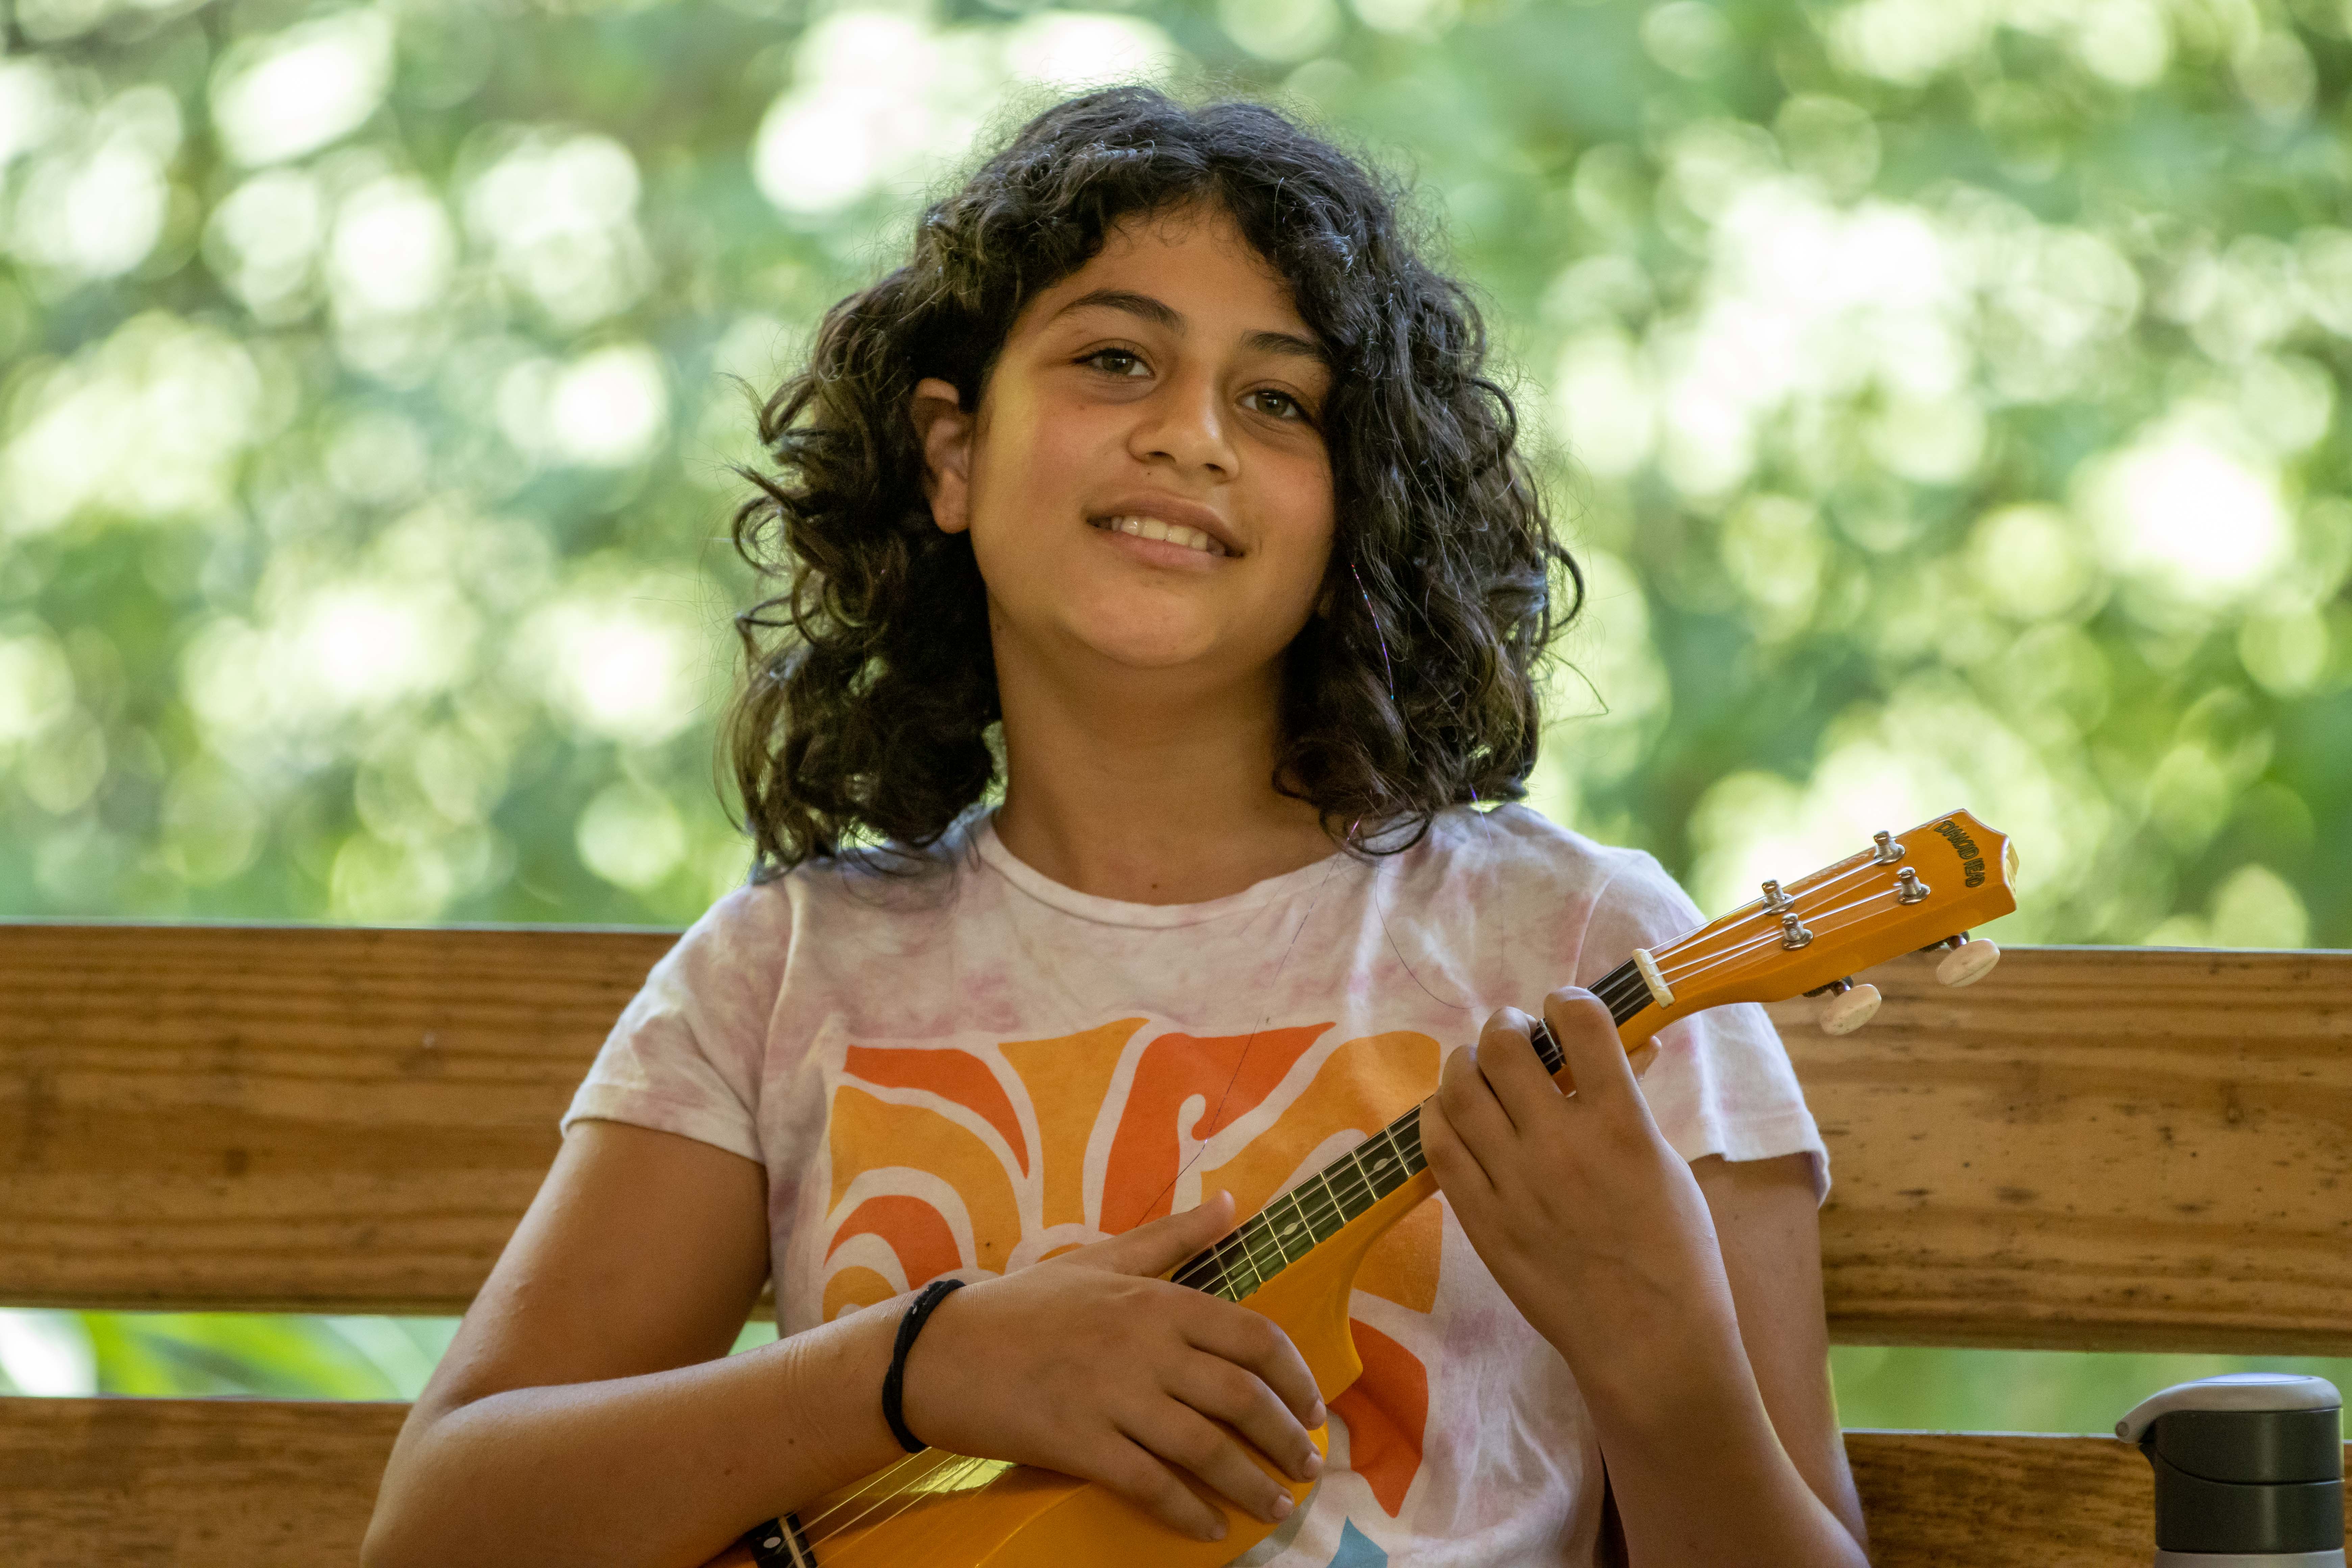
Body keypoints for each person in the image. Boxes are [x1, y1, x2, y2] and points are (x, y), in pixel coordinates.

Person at [364, 87, 1869, 1568]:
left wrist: (1667, 1363)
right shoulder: (786, 971)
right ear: (953, 454)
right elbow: (439, 1533)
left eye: (1277, 401)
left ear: (1355, 505)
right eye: (1115, 359)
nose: (1191, 435)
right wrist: (918, 1363)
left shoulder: (1586, 954)